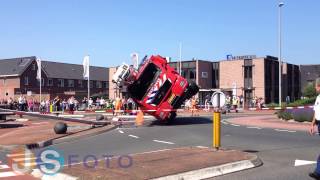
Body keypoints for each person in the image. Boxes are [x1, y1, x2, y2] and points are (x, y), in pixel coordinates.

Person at [309, 78, 320, 180]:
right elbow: (315, 112)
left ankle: (318, 172)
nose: (315, 88)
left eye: (316, 86)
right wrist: (312, 125)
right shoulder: (318, 98)